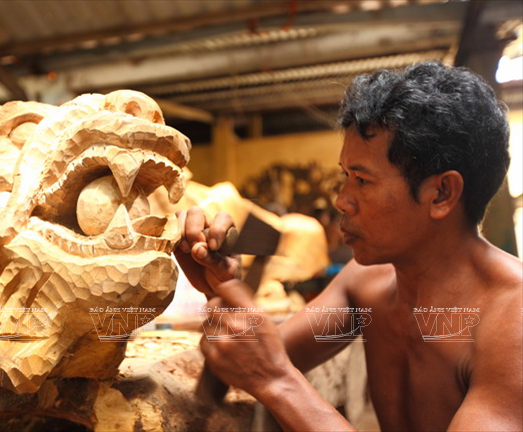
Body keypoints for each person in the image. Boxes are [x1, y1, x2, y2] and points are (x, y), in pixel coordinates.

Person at [174, 61, 522, 431]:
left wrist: (279, 383)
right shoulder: (367, 283)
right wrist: (224, 287)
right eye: (345, 176)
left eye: (361, 180)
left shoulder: (510, 321)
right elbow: (245, 363)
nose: (342, 200)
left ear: (441, 193)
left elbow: (272, 372)